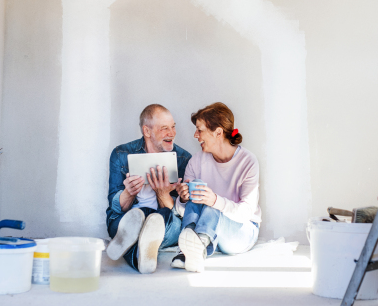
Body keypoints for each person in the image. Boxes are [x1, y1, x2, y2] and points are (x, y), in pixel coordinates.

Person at [171, 102, 261, 273]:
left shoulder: (248, 161)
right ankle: (189, 247)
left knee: (212, 206)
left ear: (218, 132)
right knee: (195, 187)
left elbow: (245, 213)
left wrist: (215, 201)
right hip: (206, 228)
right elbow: (186, 210)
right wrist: (183, 199)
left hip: (241, 232)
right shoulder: (196, 161)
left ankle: (195, 248)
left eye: (200, 130)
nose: (195, 135)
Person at [105, 104, 191, 274]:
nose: (172, 133)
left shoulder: (183, 159)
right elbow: (115, 206)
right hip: (128, 217)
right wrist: (128, 193)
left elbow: (179, 212)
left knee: (160, 217)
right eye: (164, 128)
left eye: (173, 127)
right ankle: (143, 246)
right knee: (135, 215)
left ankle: (134, 251)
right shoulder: (121, 154)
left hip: (164, 222)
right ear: (147, 131)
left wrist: (162, 193)